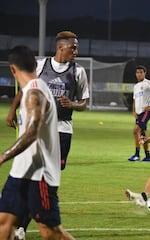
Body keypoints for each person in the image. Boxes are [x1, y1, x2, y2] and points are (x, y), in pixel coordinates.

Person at [6, 30, 89, 239]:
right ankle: (22, 227)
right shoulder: (41, 69)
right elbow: (24, 91)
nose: (76, 52)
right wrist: (12, 109)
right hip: (30, 146)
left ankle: (34, 214)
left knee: (49, 225)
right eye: (73, 47)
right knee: (9, 215)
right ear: (60, 47)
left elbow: (85, 102)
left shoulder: (77, 72)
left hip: (58, 136)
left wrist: (73, 104)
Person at [128, 65, 150, 162]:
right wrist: (134, 110)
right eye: (137, 72)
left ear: (145, 73)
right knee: (142, 133)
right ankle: (147, 156)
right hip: (138, 114)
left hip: (145, 112)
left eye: (141, 72)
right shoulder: (136, 86)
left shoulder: (148, 83)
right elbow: (135, 99)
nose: (139, 74)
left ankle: (137, 154)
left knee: (135, 131)